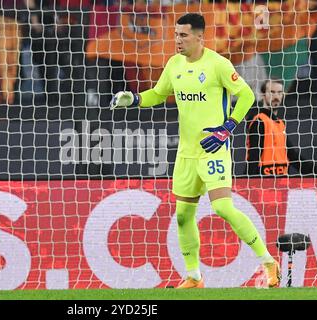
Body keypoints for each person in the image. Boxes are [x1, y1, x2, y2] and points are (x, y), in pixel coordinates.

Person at [110, 13, 281, 289]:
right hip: (186, 154)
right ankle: (194, 277)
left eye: (184, 35)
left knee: (223, 207)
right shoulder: (174, 64)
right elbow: (158, 93)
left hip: (213, 149)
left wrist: (227, 128)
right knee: (183, 215)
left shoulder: (218, 64)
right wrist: (135, 98)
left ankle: (268, 261)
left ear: (200, 37)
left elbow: (247, 95)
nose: (178, 40)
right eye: (176, 34)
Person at [246, 79, 317, 176]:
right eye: (272, 92)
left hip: (281, 181)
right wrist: (251, 183)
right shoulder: (259, 120)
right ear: (263, 95)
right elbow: (253, 156)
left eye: (279, 92)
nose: (276, 96)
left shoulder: (279, 123)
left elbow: (293, 156)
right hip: (264, 183)